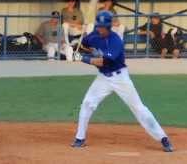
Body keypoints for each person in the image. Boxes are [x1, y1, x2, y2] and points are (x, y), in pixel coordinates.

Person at [72, 11, 173, 152]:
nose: (100, 29)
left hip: (120, 78)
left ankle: (163, 138)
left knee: (138, 108)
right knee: (87, 103)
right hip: (103, 78)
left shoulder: (116, 41)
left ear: (109, 26)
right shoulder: (93, 35)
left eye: (103, 27)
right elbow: (84, 45)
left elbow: (103, 61)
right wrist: (76, 44)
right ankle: (80, 138)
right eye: (99, 26)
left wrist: (81, 58)